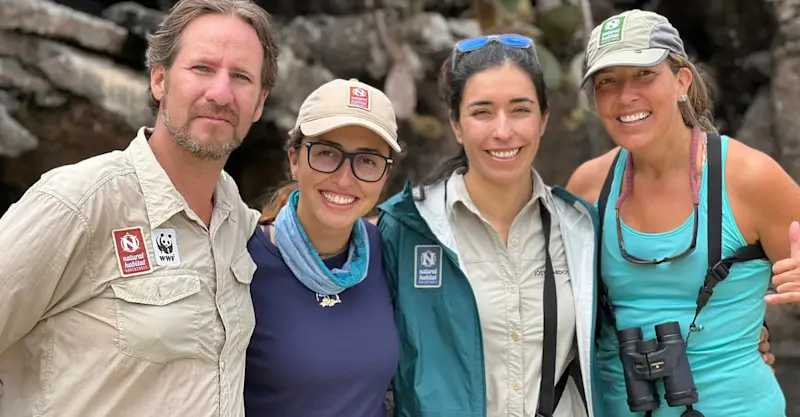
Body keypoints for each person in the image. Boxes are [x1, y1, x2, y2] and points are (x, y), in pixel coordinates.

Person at [0, 0, 278, 416]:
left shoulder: (235, 219)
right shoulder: (79, 202)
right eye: (202, 68)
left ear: (259, 103)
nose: (220, 93)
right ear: (160, 80)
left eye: (240, 76)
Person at [566, 9, 800, 417]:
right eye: (607, 82)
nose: (626, 96)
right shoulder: (588, 187)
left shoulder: (749, 179)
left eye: (644, 74)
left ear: (682, 80)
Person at [378, 34, 597, 417]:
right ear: (457, 126)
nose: (503, 131)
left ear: (544, 121)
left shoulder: (580, 229)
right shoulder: (407, 227)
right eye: (481, 112)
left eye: (520, 110)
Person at [244, 78, 401, 416]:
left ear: (385, 176)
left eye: (367, 161)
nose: (345, 179)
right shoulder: (244, 260)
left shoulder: (385, 250)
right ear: (294, 160)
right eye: (327, 153)